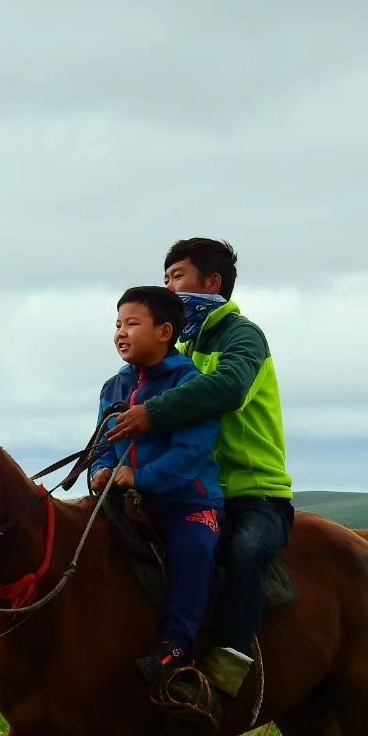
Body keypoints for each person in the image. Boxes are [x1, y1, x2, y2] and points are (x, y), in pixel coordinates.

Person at [105, 238, 293, 716]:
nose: (170, 286)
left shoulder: (242, 337)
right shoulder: (180, 344)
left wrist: (152, 413)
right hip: (173, 485)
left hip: (251, 490)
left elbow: (229, 388)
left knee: (245, 552)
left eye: (178, 277)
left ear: (212, 284)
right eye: (166, 278)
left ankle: (223, 671)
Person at [87, 287, 224, 711]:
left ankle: (178, 647)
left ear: (165, 332)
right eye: (117, 324)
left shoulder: (190, 384)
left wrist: (140, 477)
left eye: (132, 324)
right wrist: (101, 470)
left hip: (188, 501)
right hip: (125, 497)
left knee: (193, 549)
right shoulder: (115, 385)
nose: (120, 333)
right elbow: (103, 443)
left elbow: (191, 451)